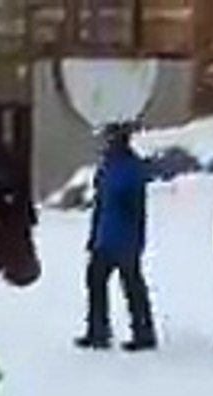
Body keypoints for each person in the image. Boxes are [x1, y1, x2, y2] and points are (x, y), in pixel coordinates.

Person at [75, 122, 156, 351]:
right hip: (104, 237)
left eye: (109, 139)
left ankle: (143, 333)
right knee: (95, 282)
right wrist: (93, 237)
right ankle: (98, 331)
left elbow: (135, 208)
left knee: (132, 285)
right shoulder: (107, 168)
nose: (105, 143)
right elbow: (100, 206)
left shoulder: (131, 168)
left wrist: (136, 239)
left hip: (125, 239)